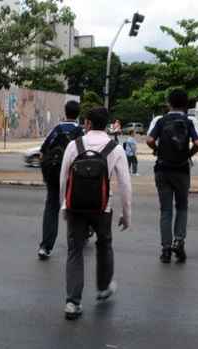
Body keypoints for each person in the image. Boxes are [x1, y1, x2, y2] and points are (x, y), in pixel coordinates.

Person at [59, 107, 132, 319]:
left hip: (76, 208)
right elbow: (125, 185)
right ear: (107, 124)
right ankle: (102, 288)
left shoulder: (74, 146)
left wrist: (65, 205)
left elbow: (64, 178)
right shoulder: (115, 149)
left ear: (88, 123)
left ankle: (73, 303)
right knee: (104, 244)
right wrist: (126, 215)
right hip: (102, 208)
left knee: (75, 251)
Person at [146, 89, 198, 263]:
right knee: (182, 207)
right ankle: (179, 241)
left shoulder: (160, 120)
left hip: (162, 169)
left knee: (165, 210)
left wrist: (157, 151)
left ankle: (165, 249)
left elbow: (149, 140)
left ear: (168, 103)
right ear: (186, 104)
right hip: (181, 170)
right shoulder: (190, 120)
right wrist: (188, 155)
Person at [37, 100, 85, 260]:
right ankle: (79, 240)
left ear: (65, 112)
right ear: (78, 114)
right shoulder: (80, 132)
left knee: (51, 208)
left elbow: (43, 150)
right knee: (77, 209)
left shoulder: (57, 129)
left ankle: (45, 246)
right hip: (73, 177)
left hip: (54, 176)